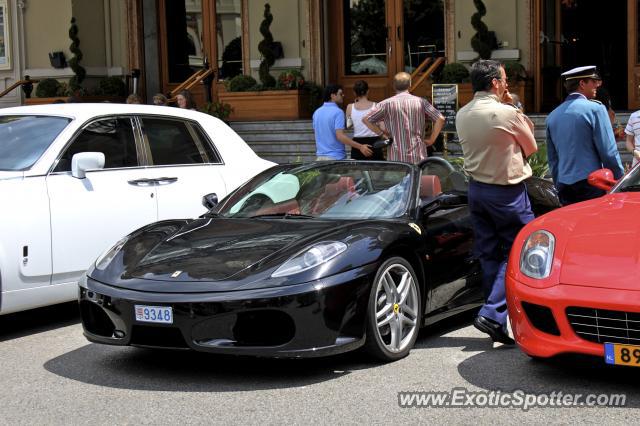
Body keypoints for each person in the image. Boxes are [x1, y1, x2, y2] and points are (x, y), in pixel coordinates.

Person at [455, 60, 538, 345]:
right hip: (507, 192)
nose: (507, 85)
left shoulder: (462, 113)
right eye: (504, 80)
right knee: (519, 249)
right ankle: (492, 313)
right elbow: (531, 147)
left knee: (490, 254)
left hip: (477, 190)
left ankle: (496, 318)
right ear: (494, 83)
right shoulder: (506, 113)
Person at [546, 66, 624, 206]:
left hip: (564, 185)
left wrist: (559, 184)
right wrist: (620, 180)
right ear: (582, 84)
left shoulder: (552, 116)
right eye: (593, 81)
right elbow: (608, 152)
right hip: (592, 183)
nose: (597, 85)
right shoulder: (596, 109)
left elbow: (553, 159)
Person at [362, 72, 445, 164]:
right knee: (418, 178)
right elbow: (440, 118)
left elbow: (366, 119)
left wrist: (382, 134)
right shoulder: (421, 102)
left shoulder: (386, 104)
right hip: (417, 154)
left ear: (393, 85)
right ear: (410, 84)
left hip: (396, 155)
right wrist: (431, 140)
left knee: (398, 178)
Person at [312, 84, 373, 160]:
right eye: (340, 94)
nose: (343, 95)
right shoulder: (338, 112)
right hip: (336, 158)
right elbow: (340, 136)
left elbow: (318, 133)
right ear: (332, 96)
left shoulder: (317, 112)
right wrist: (360, 147)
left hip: (320, 157)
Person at [346, 80, 385, 160]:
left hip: (358, 142)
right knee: (376, 169)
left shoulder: (350, 107)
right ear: (368, 91)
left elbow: (348, 126)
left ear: (354, 93)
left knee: (359, 170)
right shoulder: (376, 105)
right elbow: (382, 126)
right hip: (375, 141)